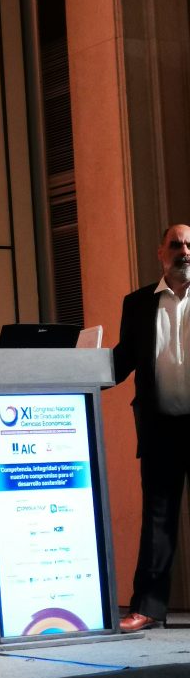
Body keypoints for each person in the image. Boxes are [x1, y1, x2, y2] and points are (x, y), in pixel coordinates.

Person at [113, 222, 190, 632]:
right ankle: (147, 607)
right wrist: (81, 369)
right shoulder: (139, 303)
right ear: (161, 253)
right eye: (176, 245)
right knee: (158, 519)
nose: (185, 252)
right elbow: (122, 359)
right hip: (161, 426)